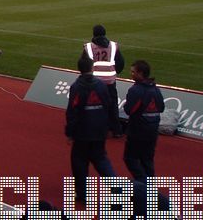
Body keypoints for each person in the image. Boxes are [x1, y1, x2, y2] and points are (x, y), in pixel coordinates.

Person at [65, 55, 115, 202]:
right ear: (92, 68)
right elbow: (109, 105)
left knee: (79, 162)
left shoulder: (77, 86)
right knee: (101, 160)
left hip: (82, 131)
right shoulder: (100, 85)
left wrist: (70, 132)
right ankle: (117, 188)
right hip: (99, 129)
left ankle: (82, 193)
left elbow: (72, 111)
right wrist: (110, 127)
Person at [123, 60, 164, 181]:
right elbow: (161, 108)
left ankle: (144, 185)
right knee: (147, 160)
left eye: (133, 72)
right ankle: (149, 187)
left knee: (130, 158)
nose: (131, 74)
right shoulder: (156, 89)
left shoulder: (136, 90)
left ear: (140, 73)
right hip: (153, 130)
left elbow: (129, 110)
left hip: (138, 130)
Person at [82, 24, 124, 136]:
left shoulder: (89, 47)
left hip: (94, 82)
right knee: (113, 104)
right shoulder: (113, 46)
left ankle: (100, 129)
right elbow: (120, 63)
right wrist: (114, 73)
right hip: (110, 80)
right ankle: (116, 130)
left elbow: (84, 64)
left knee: (96, 106)